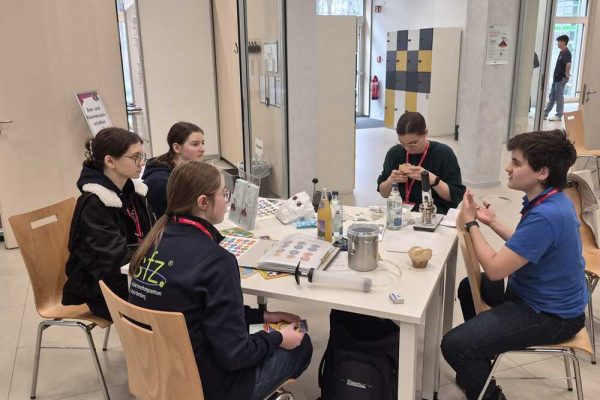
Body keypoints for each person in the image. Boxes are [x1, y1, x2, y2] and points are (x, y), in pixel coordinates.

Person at [128, 161, 312, 400]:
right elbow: (235, 354)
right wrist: (278, 338)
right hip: (208, 388)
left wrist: (262, 316)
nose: (228, 201)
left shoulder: (152, 242)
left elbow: (197, 311)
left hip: (155, 372)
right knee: (302, 344)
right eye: (224, 194)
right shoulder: (216, 261)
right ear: (203, 202)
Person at [442, 129, 587, 400]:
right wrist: (492, 222)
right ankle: (479, 366)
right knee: (467, 287)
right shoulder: (551, 199)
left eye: (516, 163)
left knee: (453, 345)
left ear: (542, 172)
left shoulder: (547, 215)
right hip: (537, 298)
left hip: (551, 316)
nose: (508, 168)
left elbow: (496, 268)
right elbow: (528, 245)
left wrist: (472, 223)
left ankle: (490, 392)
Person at [62, 127, 154, 321]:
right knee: (179, 300)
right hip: (103, 290)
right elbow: (112, 262)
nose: (142, 162)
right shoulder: (93, 205)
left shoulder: (133, 191)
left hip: (133, 274)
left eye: (142, 156)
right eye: (135, 157)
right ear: (110, 161)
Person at [377, 111, 465, 214]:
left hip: (432, 214)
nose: (407, 148)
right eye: (402, 143)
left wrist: (433, 180)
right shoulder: (395, 153)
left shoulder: (443, 154)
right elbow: (384, 193)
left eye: (413, 143)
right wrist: (390, 181)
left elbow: (455, 197)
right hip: (400, 213)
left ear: (425, 133)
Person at [143, 121, 206, 217]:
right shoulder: (160, 181)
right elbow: (165, 218)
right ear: (177, 148)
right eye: (195, 144)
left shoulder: (190, 170)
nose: (202, 149)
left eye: (202, 143)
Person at [543, 35, 572, 121]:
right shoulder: (562, 52)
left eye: (559, 42)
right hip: (556, 78)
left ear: (563, 42)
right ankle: (545, 113)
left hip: (561, 79)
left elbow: (568, 64)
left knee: (559, 97)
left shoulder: (567, 53)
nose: (557, 43)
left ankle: (559, 115)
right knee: (552, 96)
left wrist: (566, 74)